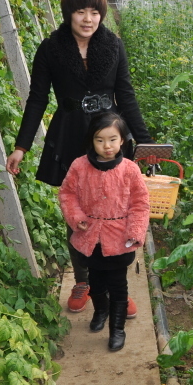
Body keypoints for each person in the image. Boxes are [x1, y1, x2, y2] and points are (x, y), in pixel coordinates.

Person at [6, 0, 152, 317]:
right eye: (80, 12)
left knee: (116, 212)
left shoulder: (113, 46)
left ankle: (116, 286)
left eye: (95, 12)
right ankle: (84, 280)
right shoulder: (51, 49)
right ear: (68, 14)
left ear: (101, 15)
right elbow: (38, 99)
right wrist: (21, 146)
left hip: (110, 136)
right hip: (70, 134)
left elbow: (126, 96)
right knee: (77, 213)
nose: (88, 19)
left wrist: (144, 143)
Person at [58, 113, 149, 351]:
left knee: (119, 285)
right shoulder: (79, 166)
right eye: (100, 140)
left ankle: (117, 330)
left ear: (122, 141)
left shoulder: (130, 170)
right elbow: (67, 194)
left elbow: (140, 203)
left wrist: (135, 230)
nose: (106, 146)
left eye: (112, 139)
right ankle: (100, 311)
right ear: (91, 141)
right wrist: (77, 218)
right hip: (90, 237)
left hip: (120, 238)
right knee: (95, 282)